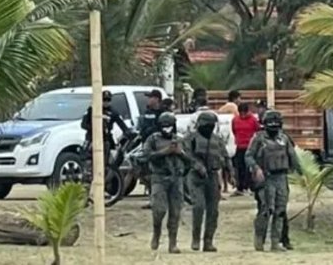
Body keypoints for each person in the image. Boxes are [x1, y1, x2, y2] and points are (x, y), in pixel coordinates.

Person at [247, 109, 300, 252]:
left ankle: (275, 242)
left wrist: (301, 173)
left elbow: (292, 156)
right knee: (266, 210)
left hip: (281, 178)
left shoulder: (284, 139)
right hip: (266, 178)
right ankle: (259, 240)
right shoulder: (258, 138)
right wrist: (256, 168)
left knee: (280, 211)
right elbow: (249, 156)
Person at [143, 112, 192, 253]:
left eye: (169, 126)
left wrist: (180, 153)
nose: (167, 129)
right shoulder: (152, 139)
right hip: (159, 177)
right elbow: (146, 156)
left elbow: (190, 160)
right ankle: (156, 231)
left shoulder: (180, 140)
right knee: (159, 209)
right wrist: (165, 151)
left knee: (175, 212)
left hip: (176, 179)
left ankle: (173, 243)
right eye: (164, 126)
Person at [184, 111, 231, 252]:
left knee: (213, 211)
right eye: (207, 125)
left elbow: (226, 157)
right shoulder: (191, 138)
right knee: (198, 207)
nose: (209, 128)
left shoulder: (217, 139)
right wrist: (198, 166)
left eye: (211, 125)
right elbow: (186, 155)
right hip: (196, 177)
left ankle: (208, 241)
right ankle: (196, 239)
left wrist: (231, 173)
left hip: (212, 176)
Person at [81, 90, 132, 169]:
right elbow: (83, 124)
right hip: (92, 137)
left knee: (109, 159)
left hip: (106, 138)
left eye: (108, 100)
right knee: (87, 157)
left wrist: (128, 133)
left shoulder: (113, 112)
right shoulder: (92, 110)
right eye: (104, 100)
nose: (106, 102)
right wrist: (95, 128)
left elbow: (122, 124)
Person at [231, 102, 260, 196]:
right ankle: (240, 187)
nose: (243, 114)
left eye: (244, 112)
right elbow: (234, 131)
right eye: (241, 112)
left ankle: (250, 186)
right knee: (239, 167)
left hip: (250, 146)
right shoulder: (235, 119)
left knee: (249, 168)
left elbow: (257, 130)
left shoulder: (253, 119)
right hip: (240, 146)